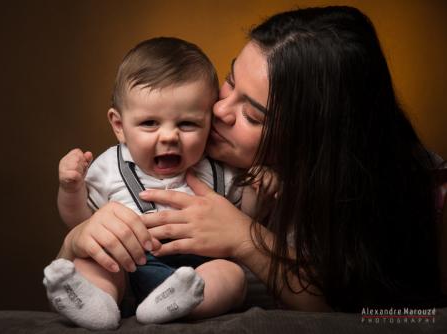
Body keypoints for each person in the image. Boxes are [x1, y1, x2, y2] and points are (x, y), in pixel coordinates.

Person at [56, 5, 447, 315]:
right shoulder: (179, 153)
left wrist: (245, 239)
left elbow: (377, 312)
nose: (220, 110)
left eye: (253, 115)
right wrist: (77, 238)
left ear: (313, 142)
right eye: (229, 81)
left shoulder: (382, 190)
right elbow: (78, 269)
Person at [43, 37, 260, 330]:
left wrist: (258, 190)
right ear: (119, 126)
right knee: (92, 262)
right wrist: (70, 189)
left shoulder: (219, 170)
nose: (169, 136)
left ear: (209, 122)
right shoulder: (109, 167)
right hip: (128, 267)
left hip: (197, 271)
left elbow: (246, 219)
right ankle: (98, 305)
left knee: (232, 277)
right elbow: (81, 223)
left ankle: (176, 303)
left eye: (187, 124)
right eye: (149, 123)